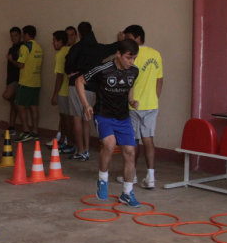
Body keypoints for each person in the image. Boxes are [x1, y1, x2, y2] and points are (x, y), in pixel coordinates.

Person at [76, 39, 141, 207]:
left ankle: (127, 193)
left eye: (134, 58)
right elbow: (79, 81)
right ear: (118, 54)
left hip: (123, 117)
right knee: (110, 144)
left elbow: (130, 86)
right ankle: (102, 181)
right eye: (128, 57)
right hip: (104, 115)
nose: (131, 62)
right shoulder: (103, 69)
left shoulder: (134, 71)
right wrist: (86, 105)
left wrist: (132, 100)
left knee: (130, 152)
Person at [115, 25, 163, 189]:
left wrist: (120, 44)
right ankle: (151, 177)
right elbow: (159, 80)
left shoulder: (132, 54)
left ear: (137, 37)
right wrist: (154, 97)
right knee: (148, 139)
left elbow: (124, 74)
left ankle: (132, 175)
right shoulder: (156, 54)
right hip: (151, 104)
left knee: (132, 141)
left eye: (129, 37)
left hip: (134, 104)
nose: (127, 40)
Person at [65, 22, 117, 161]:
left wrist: (72, 72)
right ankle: (87, 149)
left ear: (79, 33)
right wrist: (121, 39)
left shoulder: (76, 48)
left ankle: (80, 150)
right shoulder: (98, 48)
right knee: (86, 119)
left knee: (76, 118)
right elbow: (113, 48)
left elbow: (68, 66)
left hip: (76, 85)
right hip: (92, 87)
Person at [14, 25, 43, 142]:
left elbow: (21, 64)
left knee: (20, 106)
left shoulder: (25, 47)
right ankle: (35, 131)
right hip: (36, 82)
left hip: (25, 81)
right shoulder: (39, 47)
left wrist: (11, 59)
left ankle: (26, 131)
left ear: (26, 34)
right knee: (34, 107)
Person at [50, 30, 75, 153]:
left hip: (64, 91)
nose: (53, 43)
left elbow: (59, 77)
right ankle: (64, 141)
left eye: (54, 40)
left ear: (60, 41)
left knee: (66, 120)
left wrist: (55, 94)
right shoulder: (70, 50)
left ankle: (70, 143)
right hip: (70, 90)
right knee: (66, 119)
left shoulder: (60, 54)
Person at [2, 26, 22, 136]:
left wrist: (12, 60)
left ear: (20, 35)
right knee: (13, 104)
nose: (13, 38)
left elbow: (21, 65)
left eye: (15, 35)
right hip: (10, 78)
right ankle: (12, 126)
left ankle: (25, 128)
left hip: (17, 79)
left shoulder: (22, 47)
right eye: (12, 36)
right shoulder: (12, 48)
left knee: (8, 96)